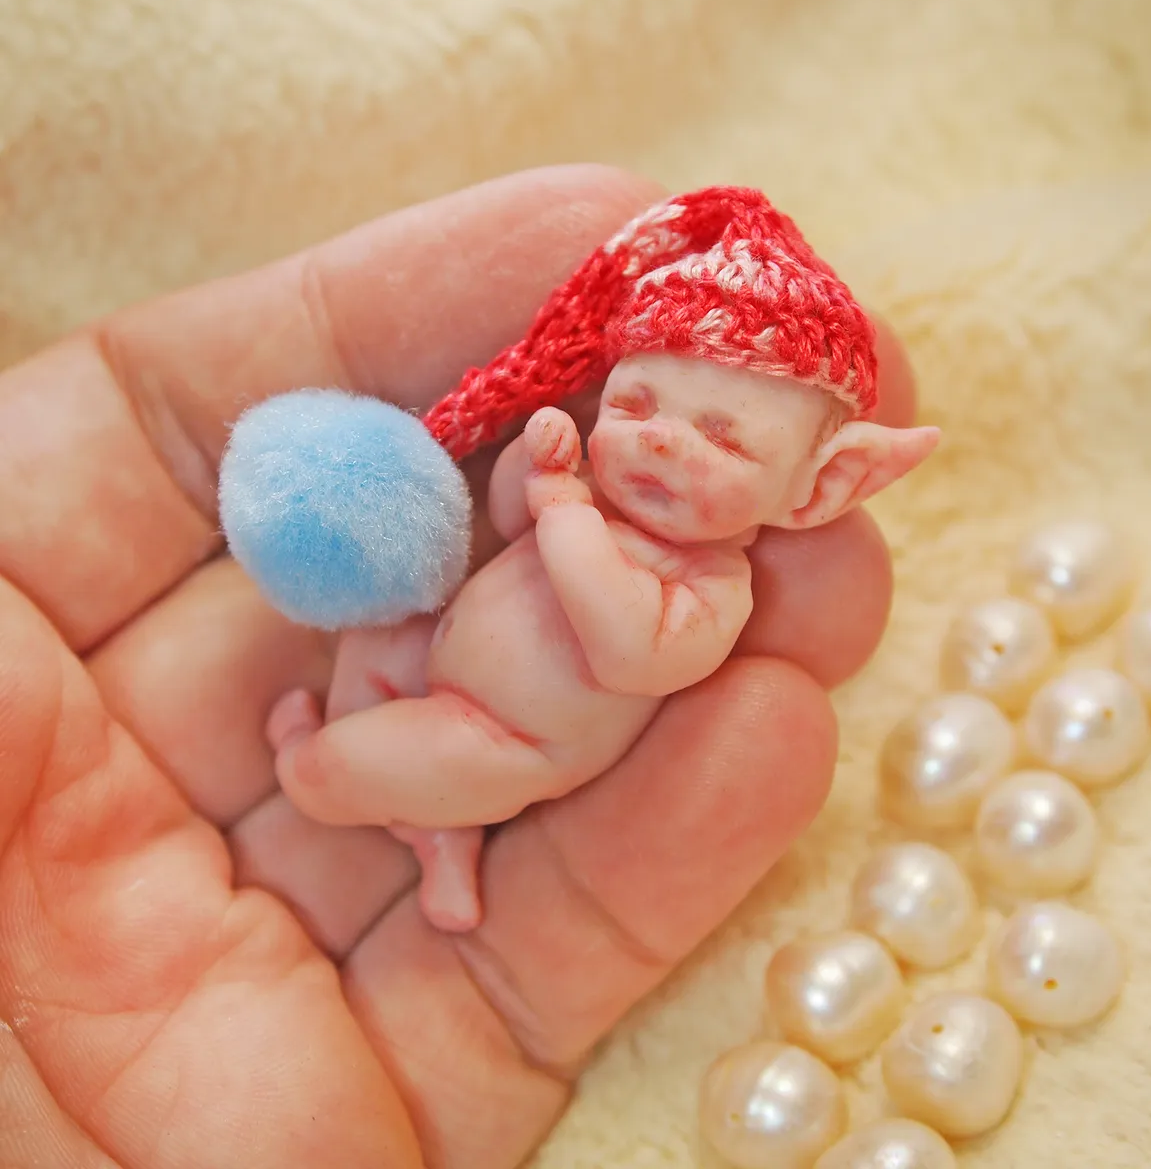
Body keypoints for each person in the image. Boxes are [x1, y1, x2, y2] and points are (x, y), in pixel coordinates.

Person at [0, 164, 916, 1169]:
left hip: (507, 740)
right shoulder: (594, 501)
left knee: (340, 767)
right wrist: (535, 477)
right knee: (376, 636)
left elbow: (624, 646)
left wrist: (567, 518)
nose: (660, 444)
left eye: (721, 437)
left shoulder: (714, 591)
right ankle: (442, 849)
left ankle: (325, 770)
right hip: (443, 660)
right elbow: (517, 522)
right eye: (640, 400)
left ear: (812, 491)